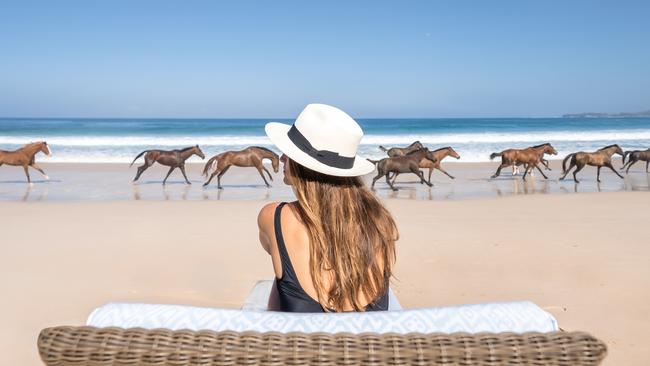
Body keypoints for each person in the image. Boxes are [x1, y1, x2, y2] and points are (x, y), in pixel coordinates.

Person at [258, 103, 399, 312]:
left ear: (302, 163)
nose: (281, 158)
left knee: (281, 279)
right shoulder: (382, 223)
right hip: (371, 344)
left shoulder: (274, 217)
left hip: (300, 343)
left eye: (288, 152)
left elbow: (272, 249)